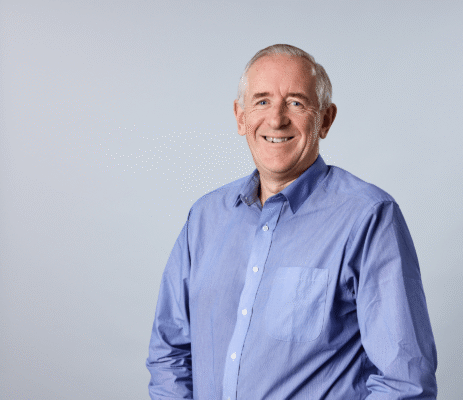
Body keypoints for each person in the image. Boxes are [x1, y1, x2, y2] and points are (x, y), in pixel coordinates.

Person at [146, 44, 437, 399]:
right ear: (240, 117)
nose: (276, 119)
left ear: (325, 120)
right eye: (262, 101)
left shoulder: (368, 217)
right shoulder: (205, 218)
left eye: (296, 103)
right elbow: (169, 353)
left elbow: (404, 381)